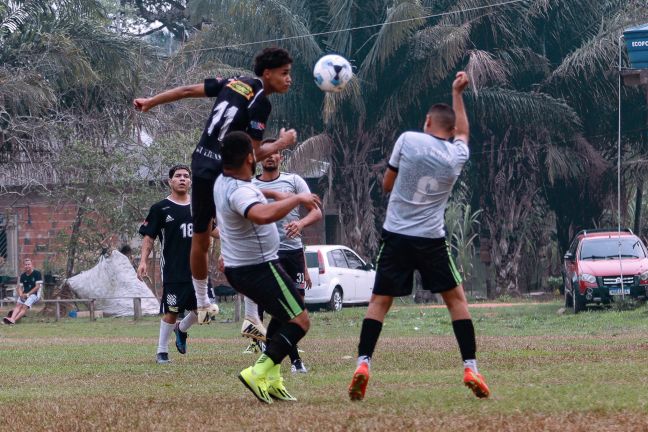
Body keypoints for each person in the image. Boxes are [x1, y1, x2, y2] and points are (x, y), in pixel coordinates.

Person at [348, 71, 490, 401]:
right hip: (431, 239)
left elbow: (386, 185)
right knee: (456, 301)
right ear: (451, 130)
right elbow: (464, 132)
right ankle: (470, 366)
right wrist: (458, 92)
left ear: (427, 121)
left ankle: (363, 364)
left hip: (396, 236)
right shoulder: (457, 156)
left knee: (379, 303)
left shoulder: (408, 140)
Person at [133, 47, 298, 324]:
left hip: (200, 163)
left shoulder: (234, 82)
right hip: (227, 172)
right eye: (285, 73)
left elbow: (186, 90)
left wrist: (151, 101)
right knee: (254, 229)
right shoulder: (261, 102)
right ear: (267, 74)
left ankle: (202, 301)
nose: (289, 79)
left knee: (201, 236)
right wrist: (281, 144)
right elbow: (252, 156)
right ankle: (250, 316)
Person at [214, 131, 320, 403]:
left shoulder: (224, 179)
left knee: (283, 316)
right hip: (259, 267)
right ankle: (258, 371)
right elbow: (261, 215)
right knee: (300, 320)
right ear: (251, 158)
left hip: (247, 268)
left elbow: (257, 190)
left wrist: (274, 191)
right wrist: (295, 199)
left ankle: (273, 379)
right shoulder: (239, 191)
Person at [246, 142, 322, 372]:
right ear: (259, 158)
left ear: (281, 157)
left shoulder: (295, 181)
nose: (270, 157)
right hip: (266, 254)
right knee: (283, 309)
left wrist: (300, 223)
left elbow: (316, 211)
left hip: (293, 252)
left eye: (275, 153)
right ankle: (295, 361)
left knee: (297, 306)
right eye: (266, 153)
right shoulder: (251, 185)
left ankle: (271, 353)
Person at [138, 164, 203, 364]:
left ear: (191, 181)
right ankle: (162, 351)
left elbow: (213, 231)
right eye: (178, 176)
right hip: (173, 269)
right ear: (170, 181)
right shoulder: (160, 208)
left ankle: (181, 330)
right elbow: (149, 238)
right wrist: (143, 261)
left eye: (186, 176)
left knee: (204, 310)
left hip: (198, 269)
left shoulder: (200, 206)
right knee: (172, 311)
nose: (182, 179)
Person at [4, 258, 43, 325]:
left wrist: (27, 295)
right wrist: (21, 294)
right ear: (24, 266)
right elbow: (19, 287)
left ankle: (13, 320)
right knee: (18, 305)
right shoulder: (23, 275)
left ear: (31, 265)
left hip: (34, 294)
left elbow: (37, 287)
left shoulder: (37, 273)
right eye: (25, 265)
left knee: (24, 306)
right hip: (25, 294)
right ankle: (11, 318)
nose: (27, 266)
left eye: (29, 264)